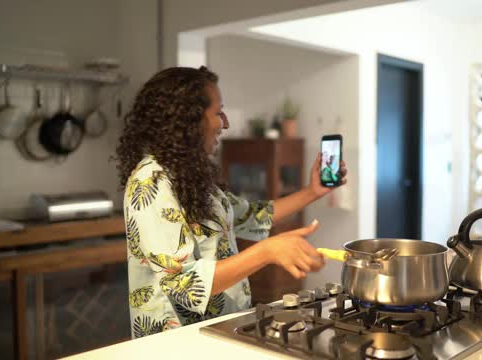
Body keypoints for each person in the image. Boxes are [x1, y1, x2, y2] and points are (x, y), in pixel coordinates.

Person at [115, 66, 347, 337]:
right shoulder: (151, 182)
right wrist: (267, 251)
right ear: (188, 120)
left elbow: (252, 216)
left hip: (216, 330)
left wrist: (313, 191)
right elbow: (185, 284)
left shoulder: (192, 178)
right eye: (218, 113)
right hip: (176, 344)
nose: (225, 123)